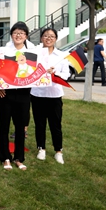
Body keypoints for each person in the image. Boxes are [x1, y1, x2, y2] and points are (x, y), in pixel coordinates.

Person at [0, 21, 33, 171]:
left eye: (22, 33)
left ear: (26, 36)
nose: (18, 35)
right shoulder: (3, 50)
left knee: (20, 127)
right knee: (4, 126)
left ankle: (19, 158)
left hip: (24, 94)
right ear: (11, 35)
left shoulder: (32, 53)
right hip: (6, 93)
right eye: (16, 33)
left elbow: (38, 71)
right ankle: (5, 157)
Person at [30, 28, 70, 165]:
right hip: (37, 94)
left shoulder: (62, 55)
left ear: (56, 39)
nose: (48, 38)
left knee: (56, 124)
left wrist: (55, 73)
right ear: (41, 38)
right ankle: (41, 148)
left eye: (52, 36)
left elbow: (66, 75)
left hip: (54, 94)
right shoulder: (35, 54)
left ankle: (58, 151)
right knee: (39, 124)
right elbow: (28, 71)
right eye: (46, 36)